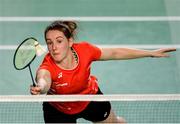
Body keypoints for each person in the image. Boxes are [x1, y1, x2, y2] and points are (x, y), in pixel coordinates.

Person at [30, 20, 176, 123]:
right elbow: (43, 79)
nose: (54, 47)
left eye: (59, 41)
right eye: (49, 42)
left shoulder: (85, 51)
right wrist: (40, 87)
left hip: (90, 99)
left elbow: (115, 53)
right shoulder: (47, 66)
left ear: (70, 42)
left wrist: (150, 53)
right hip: (59, 109)